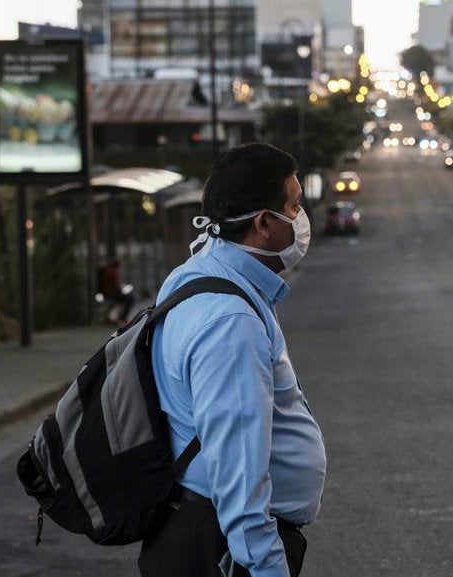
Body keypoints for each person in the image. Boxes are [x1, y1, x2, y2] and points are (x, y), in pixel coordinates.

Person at [139, 143, 326, 577]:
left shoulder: (200, 271)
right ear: (263, 223)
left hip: (200, 528)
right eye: (294, 207)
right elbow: (239, 477)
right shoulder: (230, 322)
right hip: (218, 547)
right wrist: (265, 568)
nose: (301, 221)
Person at [98, 259, 134, 325]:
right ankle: (123, 318)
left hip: (106, 293)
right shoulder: (112, 272)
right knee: (131, 299)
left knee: (125, 299)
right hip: (111, 294)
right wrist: (121, 289)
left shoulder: (106, 270)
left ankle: (118, 317)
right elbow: (115, 285)